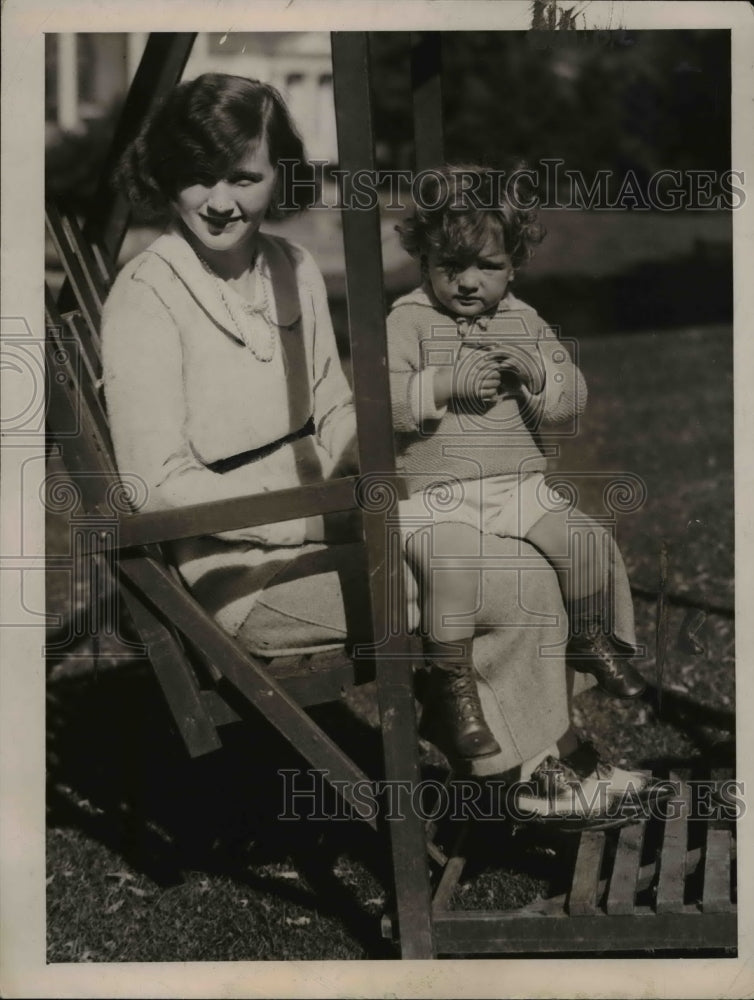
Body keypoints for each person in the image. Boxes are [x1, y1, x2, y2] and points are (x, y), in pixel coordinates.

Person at [102, 74, 650, 823]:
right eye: (197, 177)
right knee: (503, 580)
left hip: (339, 516)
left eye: (243, 176)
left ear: (281, 176)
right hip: (245, 565)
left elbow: (332, 409)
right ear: (165, 174)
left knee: (531, 549)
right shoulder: (147, 296)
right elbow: (155, 488)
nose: (220, 200)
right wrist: (325, 511)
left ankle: (534, 761)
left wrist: (407, 451)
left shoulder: (289, 267)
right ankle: (525, 775)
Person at [388, 163, 646, 766]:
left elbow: (571, 396)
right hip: (437, 495)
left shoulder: (523, 320)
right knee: (450, 568)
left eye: (489, 267)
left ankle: (586, 634)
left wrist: (541, 375)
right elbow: (384, 405)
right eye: (451, 267)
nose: (470, 283)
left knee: (581, 542)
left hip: (517, 487)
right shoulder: (405, 321)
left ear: (516, 263)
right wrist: (440, 383)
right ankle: (456, 688)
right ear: (424, 260)